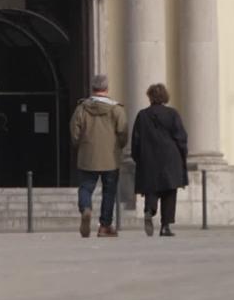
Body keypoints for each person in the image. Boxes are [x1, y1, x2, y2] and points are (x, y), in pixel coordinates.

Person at [69, 74, 128, 238]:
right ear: (107, 88)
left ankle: (86, 208)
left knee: (86, 187)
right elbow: (123, 132)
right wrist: (119, 146)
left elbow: (74, 131)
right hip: (110, 156)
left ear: (92, 89)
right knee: (109, 192)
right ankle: (105, 226)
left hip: (87, 155)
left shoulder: (81, 108)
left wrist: (79, 145)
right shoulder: (117, 109)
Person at [132, 83, 188, 237]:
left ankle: (149, 210)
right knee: (170, 191)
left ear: (150, 97)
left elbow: (135, 140)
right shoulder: (172, 114)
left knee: (152, 188)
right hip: (171, 157)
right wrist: (183, 154)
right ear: (165, 96)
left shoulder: (142, 115)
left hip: (149, 158)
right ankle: (165, 226)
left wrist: (138, 158)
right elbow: (181, 137)